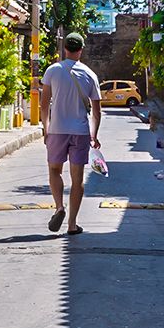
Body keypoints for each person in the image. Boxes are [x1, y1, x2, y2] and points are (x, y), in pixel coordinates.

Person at [34, 34, 102, 234]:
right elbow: (96, 112)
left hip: (57, 130)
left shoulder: (53, 70)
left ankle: (59, 207)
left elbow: (44, 105)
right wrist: (94, 135)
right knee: (77, 180)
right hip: (80, 132)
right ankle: (72, 224)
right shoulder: (90, 74)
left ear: (65, 49)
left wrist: (46, 128)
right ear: (81, 49)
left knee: (54, 170)